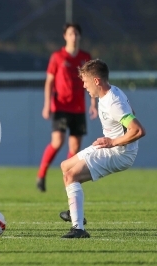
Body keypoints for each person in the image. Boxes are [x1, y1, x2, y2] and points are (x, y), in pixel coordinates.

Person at [58, 59, 146, 238]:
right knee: (65, 167)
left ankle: (78, 229)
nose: (84, 85)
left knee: (71, 176)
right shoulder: (109, 94)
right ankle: (77, 213)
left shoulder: (113, 102)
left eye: (85, 81)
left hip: (120, 153)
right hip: (110, 146)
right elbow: (131, 113)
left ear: (96, 81)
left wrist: (112, 142)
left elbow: (138, 130)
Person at [37, 23, 98, 192]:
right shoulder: (57, 57)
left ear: (79, 36)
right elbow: (49, 81)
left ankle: (68, 177)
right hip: (61, 107)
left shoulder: (86, 57)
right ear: (65, 36)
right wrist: (47, 104)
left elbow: (92, 82)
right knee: (57, 141)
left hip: (78, 108)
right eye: (71, 33)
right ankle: (41, 175)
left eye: (76, 33)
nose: (74, 36)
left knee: (75, 148)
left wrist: (93, 103)